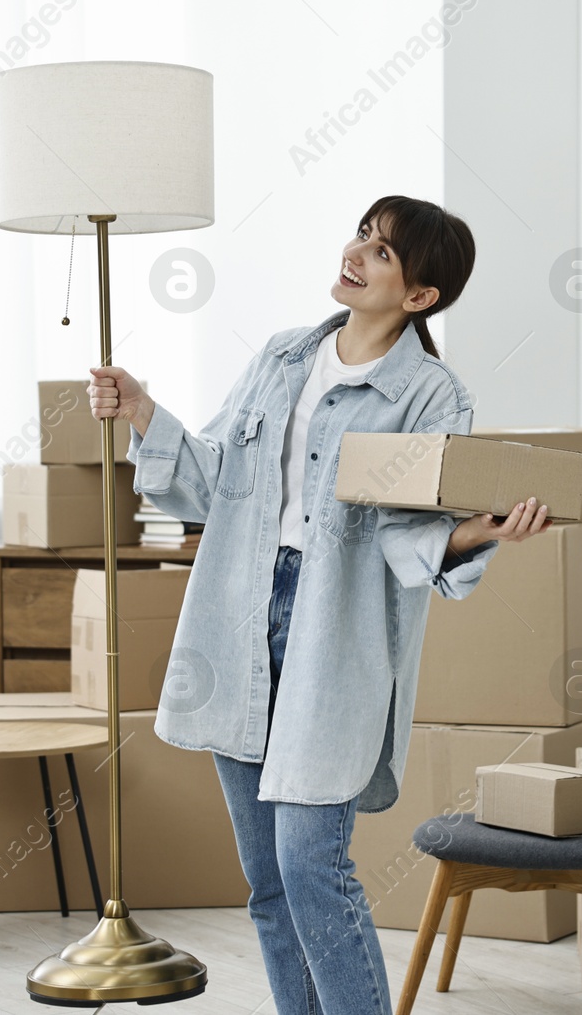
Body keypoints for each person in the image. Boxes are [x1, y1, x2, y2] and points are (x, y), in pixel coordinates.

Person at [87, 195, 550, 1014]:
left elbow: (405, 540)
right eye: (362, 237)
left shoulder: (433, 397)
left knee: (312, 867)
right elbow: (213, 481)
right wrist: (143, 411)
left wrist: (477, 535)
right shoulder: (281, 356)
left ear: (419, 297)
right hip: (241, 616)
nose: (357, 254)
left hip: (333, 635)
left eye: (382, 253)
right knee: (267, 880)